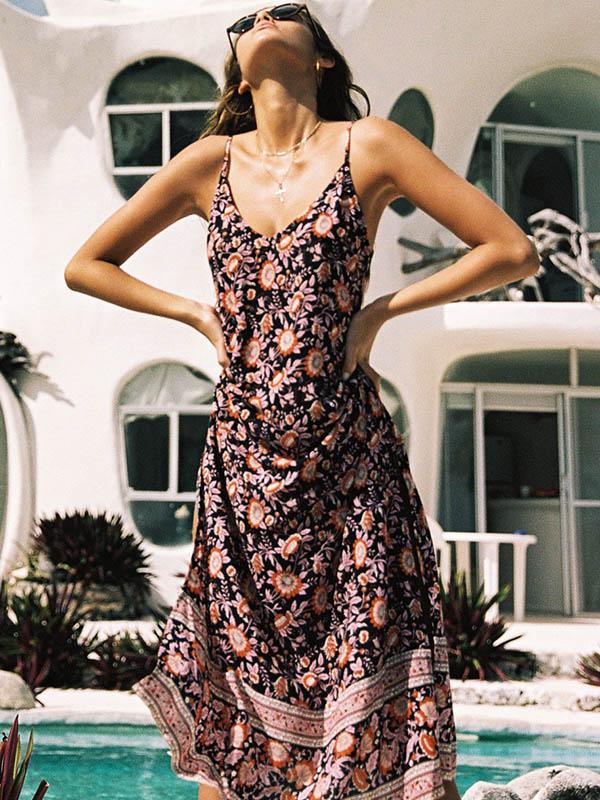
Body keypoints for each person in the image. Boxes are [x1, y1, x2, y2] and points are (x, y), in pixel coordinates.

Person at [64, 4, 540, 799]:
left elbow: (511, 249)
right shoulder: (208, 163)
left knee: (371, 648)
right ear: (237, 75)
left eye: (284, 10)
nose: (262, 16)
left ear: (321, 58)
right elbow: (87, 265)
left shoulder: (370, 144)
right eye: (247, 18)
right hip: (244, 465)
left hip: (348, 457)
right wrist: (193, 313)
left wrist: (382, 311)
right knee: (238, 683)